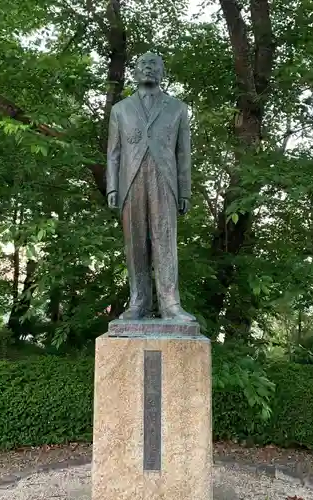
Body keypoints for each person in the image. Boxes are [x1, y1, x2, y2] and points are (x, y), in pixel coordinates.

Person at [106, 51, 195, 322]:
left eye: (154, 64)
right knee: (134, 243)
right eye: (143, 64)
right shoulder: (120, 109)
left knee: (165, 240)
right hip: (130, 181)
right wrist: (112, 187)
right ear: (134, 71)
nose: (148, 68)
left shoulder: (177, 108)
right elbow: (114, 152)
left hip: (164, 180)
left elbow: (183, 153)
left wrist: (185, 190)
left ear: (162, 72)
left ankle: (171, 304)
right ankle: (138, 302)